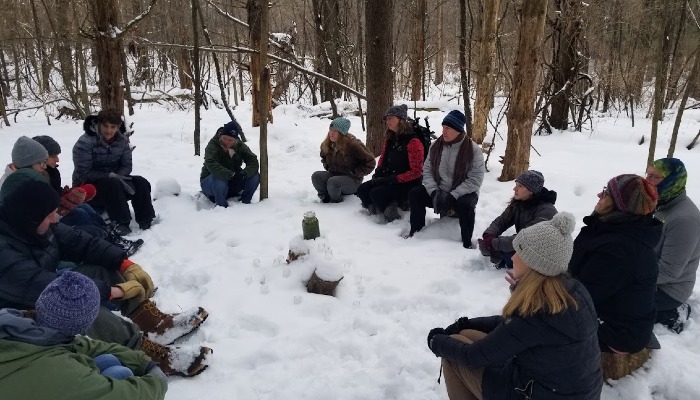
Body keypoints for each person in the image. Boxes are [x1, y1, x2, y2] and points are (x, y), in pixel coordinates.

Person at [0, 173, 211, 376]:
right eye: (48, 216)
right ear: (29, 218)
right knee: (76, 304)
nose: (55, 220)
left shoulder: (37, 226)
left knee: (102, 269)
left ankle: (154, 325)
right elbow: (36, 285)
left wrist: (124, 264)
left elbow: (81, 242)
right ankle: (142, 351)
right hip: (16, 322)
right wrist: (115, 292)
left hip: (42, 297)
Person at [427, 212, 602, 400]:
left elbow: (473, 356)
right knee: (465, 334)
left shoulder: (537, 313)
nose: (513, 257)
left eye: (519, 252)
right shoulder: (572, 291)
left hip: (538, 392)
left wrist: (435, 341)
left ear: (533, 264)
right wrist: (466, 323)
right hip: (565, 390)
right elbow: (512, 328)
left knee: (454, 354)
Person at [0, 271, 168, 398]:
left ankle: (145, 338)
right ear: (84, 325)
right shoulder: (60, 372)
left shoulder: (18, 324)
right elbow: (127, 395)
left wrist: (141, 361)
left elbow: (82, 345)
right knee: (121, 375)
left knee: (107, 360)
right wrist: (157, 380)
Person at [569, 174, 661, 354]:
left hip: (618, 333)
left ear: (619, 206)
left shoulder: (619, 249)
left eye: (605, 193)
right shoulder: (611, 228)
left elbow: (581, 297)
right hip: (611, 314)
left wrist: (535, 290)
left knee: (544, 326)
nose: (598, 195)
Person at [33, 135, 143, 257]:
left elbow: (54, 194)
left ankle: (110, 236)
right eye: (53, 156)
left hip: (56, 212)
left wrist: (66, 194)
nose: (57, 160)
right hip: (47, 221)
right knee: (80, 213)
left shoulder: (52, 172)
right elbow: (43, 206)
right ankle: (108, 243)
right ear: (41, 158)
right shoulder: (35, 177)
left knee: (85, 208)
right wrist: (64, 203)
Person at [406, 110, 484, 247]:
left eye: (448, 128)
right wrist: (434, 192)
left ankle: (466, 242)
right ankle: (416, 232)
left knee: (466, 204)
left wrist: (454, 195)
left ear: (458, 130)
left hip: (462, 193)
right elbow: (427, 171)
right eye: (443, 127)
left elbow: (475, 179)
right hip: (440, 191)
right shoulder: (435, 146)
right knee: (415, 193)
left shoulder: (473, 149)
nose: (444, 131)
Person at [72, 109, 156, 235]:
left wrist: (118, 176)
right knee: (112, 184)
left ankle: (146, 219)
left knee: (140, 182)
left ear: (118, 127)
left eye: (113, 127)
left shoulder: (121, 141)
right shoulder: (85, 142)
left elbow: (126, 165)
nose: (109, 130)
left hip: (116, 182)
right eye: (105, 126)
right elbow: (83, 173)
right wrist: (111, 176)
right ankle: (120, 222)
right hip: (87, 188)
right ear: (99, 124)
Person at [646, 158, 700, 333]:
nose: (647, 181)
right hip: (647, 274)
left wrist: (629, 278)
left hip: (668, 290)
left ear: (673, 180)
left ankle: (674, 314)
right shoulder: (660, 202)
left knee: (615, 305)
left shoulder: (684, 220)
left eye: (654, 177)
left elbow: (669, 272)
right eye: (647, 174)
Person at [356, 104, 424, 222]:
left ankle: (397, 210)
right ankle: (381, 206)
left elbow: (416, 172)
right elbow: (382, 158)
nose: (387, 121)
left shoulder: (413, 141)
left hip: (407, 183)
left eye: (390, 118)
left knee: (376, 193)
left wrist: (395, 179)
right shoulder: (390, 138)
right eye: (387, 119)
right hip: (389, 178)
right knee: (362, 189)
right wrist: (378, 172)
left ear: (401, 119)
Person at [478, 170, 557, 267]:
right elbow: (502, 221)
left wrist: (495, 244)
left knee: (504, 251)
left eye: (520, 186)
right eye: (516, 184)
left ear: (531, 191)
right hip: (524, 247)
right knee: (497, 248)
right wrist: (489, 235)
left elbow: (528, 238)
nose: (514, 189)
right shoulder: (520, 202)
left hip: (542, 258)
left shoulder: (546, 211)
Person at [311, 117, 376, 203]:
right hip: (334, 175)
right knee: (316, 176)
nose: (332, 133)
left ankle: (336, 202)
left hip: (352, 180)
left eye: (335, 131)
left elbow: (370, 162)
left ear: (342, 133)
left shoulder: (354, 144)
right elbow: (323, 157)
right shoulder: (327, 144)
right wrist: (327, 167)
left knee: (333, 182)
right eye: (331, 130)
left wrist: (355, 173)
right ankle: (325, 198)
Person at [200, 119, 260, 206]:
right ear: (221, 136)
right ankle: (221, 206)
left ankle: (245, 203)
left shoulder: (241, 146)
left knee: (254, 175)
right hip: (210, 183)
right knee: (219, 178)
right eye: (225, 138)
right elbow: (211, 163)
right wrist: (230, 174)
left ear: (235, 140)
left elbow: (252, 160)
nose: (227, 142)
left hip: (232, 182)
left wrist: (244, 173)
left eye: (230, 140)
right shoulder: (213, 145)